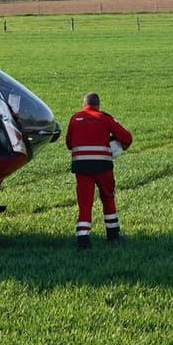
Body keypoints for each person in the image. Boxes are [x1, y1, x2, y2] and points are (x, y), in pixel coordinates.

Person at [65, 92, 133, 248]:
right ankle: (113, 234)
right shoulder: (104, 118)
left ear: (84, 104)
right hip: (103, 166)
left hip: (81, 167)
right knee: (108, 197)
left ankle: (83, 239)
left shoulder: (75, 118)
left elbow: (69, 144)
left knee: (85, 202)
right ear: (98, 105)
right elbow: (127, 138)